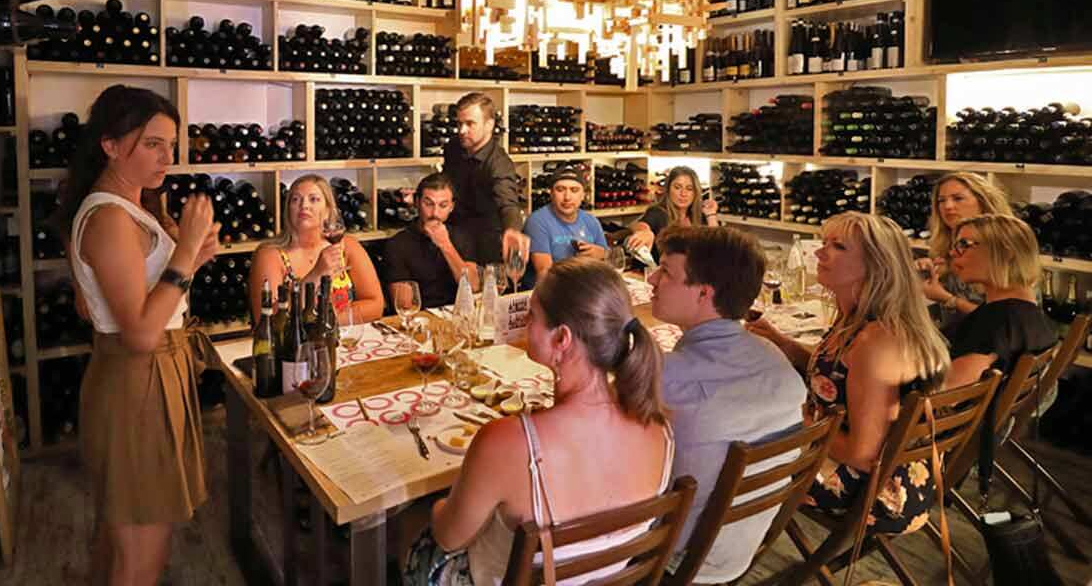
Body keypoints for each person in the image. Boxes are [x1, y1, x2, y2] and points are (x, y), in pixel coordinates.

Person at [403, 260, 673, 585]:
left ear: (561, 338)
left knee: (407, 528)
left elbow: (449, 537)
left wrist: (435, 508)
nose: (525, 325)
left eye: (532, 316)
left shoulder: (508, 442)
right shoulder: (659, 428)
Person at [51, 85, 220, 586]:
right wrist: (186, 253)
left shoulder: (130, 206)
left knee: (124, 535)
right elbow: (142, 334)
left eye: (171, 144)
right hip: (137, 383)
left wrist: (192, 256)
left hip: (150, 379)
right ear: (109, 144)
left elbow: (103, 303)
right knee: (140, 550)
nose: (167, 157)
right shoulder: (108, 217)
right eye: (152, 144)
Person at [748, 212, 951, 536]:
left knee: (738, 460)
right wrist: (784, 344)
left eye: (838, 247)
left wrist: (799, 424)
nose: (818, 253)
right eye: (824, 242)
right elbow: (843, 378)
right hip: (887, 472)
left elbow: (863, 454)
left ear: (876, 265)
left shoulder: (876, 340)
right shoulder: (860, 319)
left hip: (876, 493)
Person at [650, 227, 807, 583]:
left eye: (666, 272)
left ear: (704, 293)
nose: (652, 278)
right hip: (739, 548)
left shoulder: (666, 379)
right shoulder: (774, 358)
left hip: (670, 561)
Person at [247, 174, 384, 323]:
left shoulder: (347, 246)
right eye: (296, 199)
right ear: (288, 210)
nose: (304, 205)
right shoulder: (269, 255)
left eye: (314, 199)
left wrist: (326, 323)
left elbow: (375, 304)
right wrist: (316, 274)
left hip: (341, 340)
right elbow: (268, 321)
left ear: (327, 210)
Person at [942, 214, 1056, 389]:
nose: (952, 253)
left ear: (1006, 253)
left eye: (964, 244)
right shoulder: (1031, 315)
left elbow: (946, 398)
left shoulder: (995, 324)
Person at [441, 92, 527, 267]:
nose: (462, 130)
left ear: (489, 125)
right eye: (459, 123)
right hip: (453, 234)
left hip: (486, 246)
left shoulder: (499, 163)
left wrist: (512, 229)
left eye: (470, 124)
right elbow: (446, 181)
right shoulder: (453, 147)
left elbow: (508, 203)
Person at [917, 172, 1013, 319]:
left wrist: (949, 300)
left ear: (983, 201)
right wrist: (930, 273)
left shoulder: (1004, 249)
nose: (947, 206)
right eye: (941, 201)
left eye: (958, 198)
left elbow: (1005, 322)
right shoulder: (946, 244)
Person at [385, 173, 480, 310]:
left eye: (443, 205)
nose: (435, 213)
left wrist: (445, 245)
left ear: (451, 207)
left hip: (457, 316)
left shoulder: (462, 236)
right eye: (428, 204)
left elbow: (474, 287)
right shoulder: (397, 245)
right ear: (417, 203)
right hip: (422, 320)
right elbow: (404, 305)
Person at [523, 169, 606, 284]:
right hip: (549, 293)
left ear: (583, 195)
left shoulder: (591, 221)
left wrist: (601, 254)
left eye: (574, 190)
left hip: (584, 288)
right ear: (551, 194)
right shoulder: (537, 221)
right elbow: (544, 273)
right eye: (560, 190)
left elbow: (608, 260)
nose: (567, 197)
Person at [626, 166, 719, 257]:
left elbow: (718, 247)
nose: (683, 193)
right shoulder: (658, 212)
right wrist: (645, 231)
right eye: (677, 187)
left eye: (689, 189)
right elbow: (641, 224)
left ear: (695, 192)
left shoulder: (700, 216)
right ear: (668, 189)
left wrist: (711, 214)